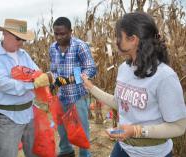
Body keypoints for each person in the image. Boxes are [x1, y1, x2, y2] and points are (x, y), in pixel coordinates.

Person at [81, 12, 186, 157]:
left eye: (118, 36)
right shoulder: (124, 68)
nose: (115, 41)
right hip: (122, 148)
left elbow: (179, 127)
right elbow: (120, 103)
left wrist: (136, 131)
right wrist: (91, 87)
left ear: (133, 40)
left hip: (152, 153)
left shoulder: (165, 77)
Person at [34, 17, 96, 157]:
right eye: (56, 34)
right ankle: (66, 152)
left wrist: (70, 79)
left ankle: (85, 155)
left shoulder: (80, 46)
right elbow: (55, 71)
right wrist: (49, 79)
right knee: (62, 129)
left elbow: (90, 69)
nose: (59, 37)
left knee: (81, 131)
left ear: (70, 32)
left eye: (63, 34)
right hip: (61, 97)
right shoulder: (53, 48)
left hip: (78, 96)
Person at [0, 19, 38, 157]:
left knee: (35, 153)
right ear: (5, 34)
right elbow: (4, 84)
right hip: (8, 117)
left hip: (30, 113)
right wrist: (32, 83)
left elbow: (37, 73)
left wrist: (42, 78)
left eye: (23, 40)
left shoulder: (24, 55)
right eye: (18, 39)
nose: (21, 43)